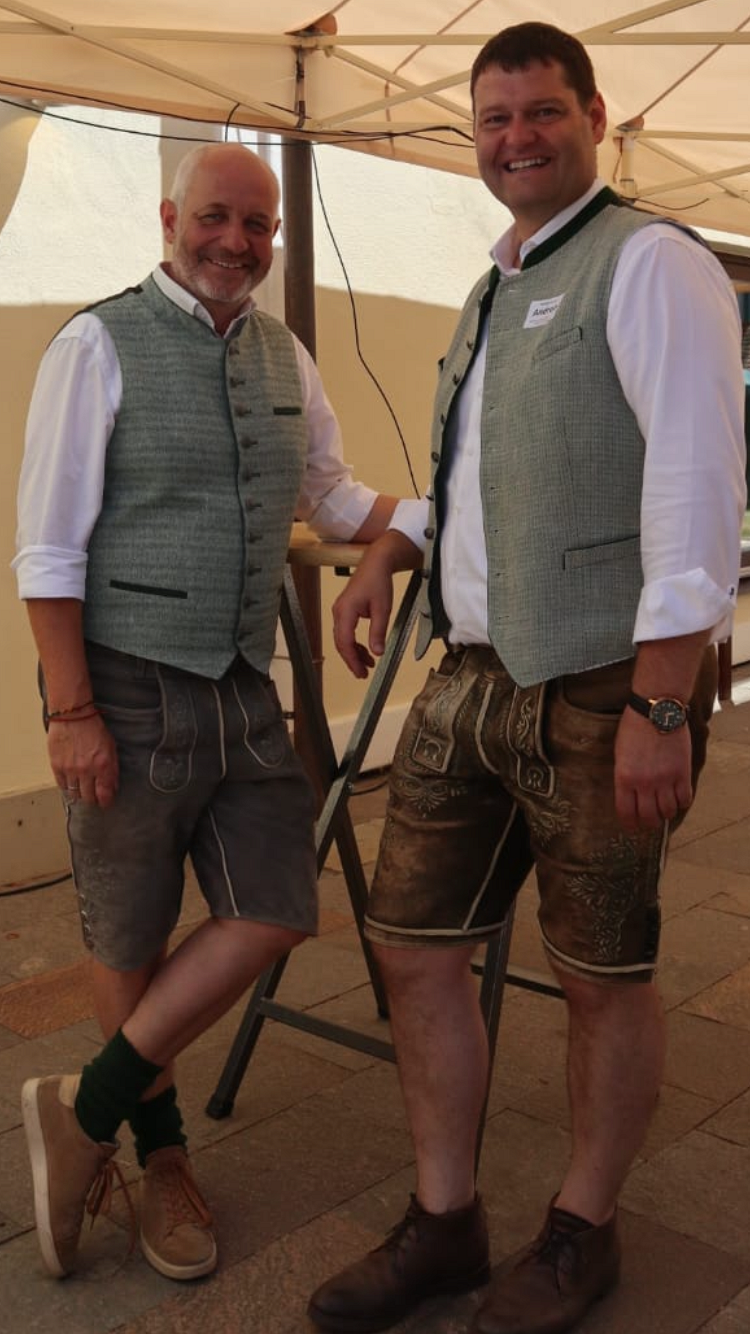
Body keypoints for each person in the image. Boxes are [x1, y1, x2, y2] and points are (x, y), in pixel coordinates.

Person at [307, 22, 747, 1334]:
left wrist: (663, 700)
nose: (516, 139)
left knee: (603, 971)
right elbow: (478, 485)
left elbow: (695, 492)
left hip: (605, 685)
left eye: (541, 111)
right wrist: (390, 550)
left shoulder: (651, 261)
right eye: (493, 119)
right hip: (472, 673)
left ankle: (581, 1229)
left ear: (593, 116)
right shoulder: (492, 286)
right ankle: (445, 1221)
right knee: (409, 943)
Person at [13, 141, 396, 1284]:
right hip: (123, 683)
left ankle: (83, 1109)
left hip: (238, 681)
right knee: (129, 934)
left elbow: (333, 494)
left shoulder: (287, 354)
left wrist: (432, 522)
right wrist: (71, 709)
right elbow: (47, 549)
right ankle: (162, 1153)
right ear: (169, 218)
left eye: (259, 225)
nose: (239, 242)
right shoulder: (96, 343)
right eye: (217, 218)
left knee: (277, 904)